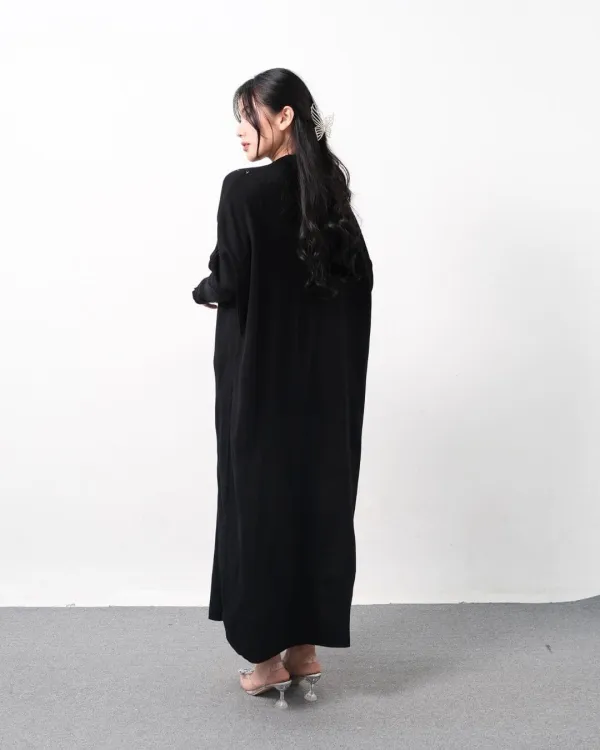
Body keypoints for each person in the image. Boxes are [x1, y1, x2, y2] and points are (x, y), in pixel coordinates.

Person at [192, 67, 373, 709]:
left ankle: (266, 660)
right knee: (312, 500)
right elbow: (360, 279)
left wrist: (204, 289)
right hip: (323, 391)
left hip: (258, 382)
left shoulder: (242, 190)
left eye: (248, 116)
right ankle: (304, 650)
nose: (241, 131)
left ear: (285, 115)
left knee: (258, 504)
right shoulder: (330, 195)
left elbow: (228, 280)